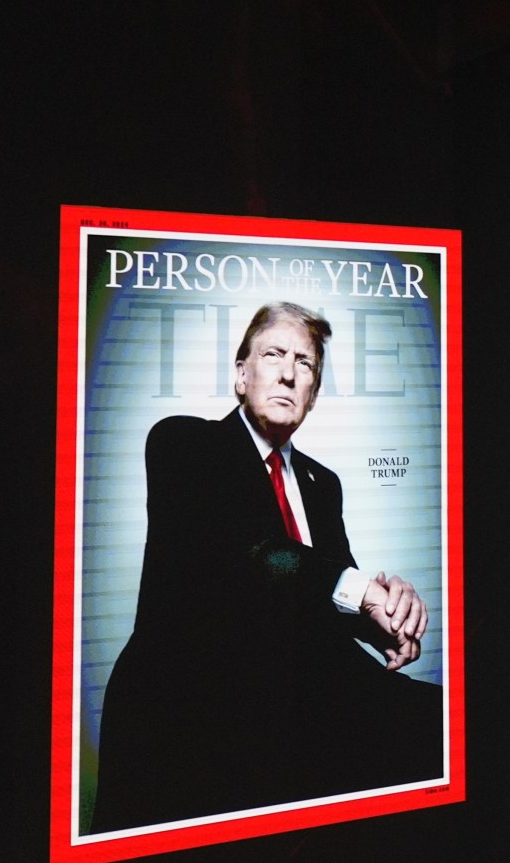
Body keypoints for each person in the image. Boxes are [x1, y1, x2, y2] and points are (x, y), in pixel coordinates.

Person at [91, 303, 442, 832]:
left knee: (448, 729)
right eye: (273, 354)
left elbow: (329, 594)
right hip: (189, 714)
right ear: (241, 375)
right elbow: (246, 553)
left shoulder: (324, 485)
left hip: (293, 712)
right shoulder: (183, 443)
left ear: (314, 394)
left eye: (304, 364)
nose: (287, 371)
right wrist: (358, 589)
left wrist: (388, 614)